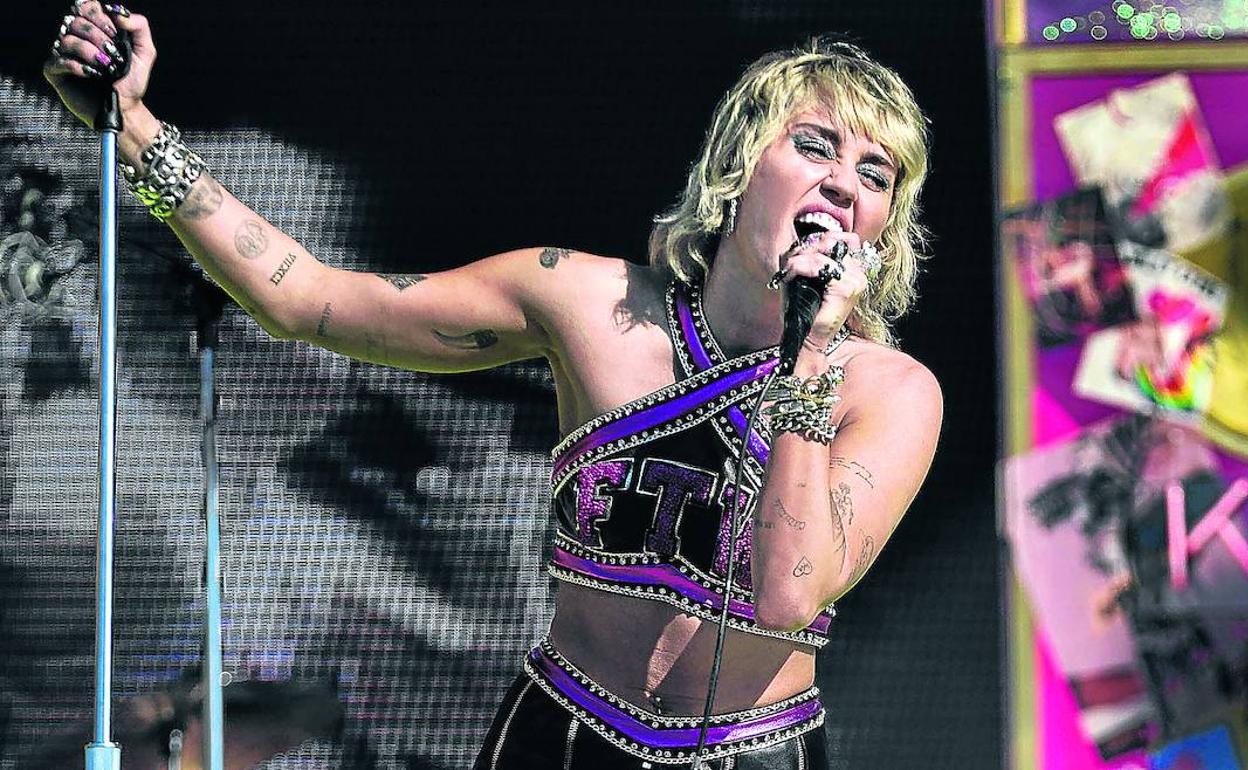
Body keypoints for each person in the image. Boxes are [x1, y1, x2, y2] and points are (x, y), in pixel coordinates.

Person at [46, 4, 943, 767]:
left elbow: (787, 595)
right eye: (815, 146)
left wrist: (803, 357)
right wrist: (134, 127)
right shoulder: (586, 302)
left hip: (754, 751)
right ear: (740, 164)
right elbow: (309, 299)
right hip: (565, 735)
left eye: (874, 175)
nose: (842, 184)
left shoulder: (889, 392)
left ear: (884, 226)